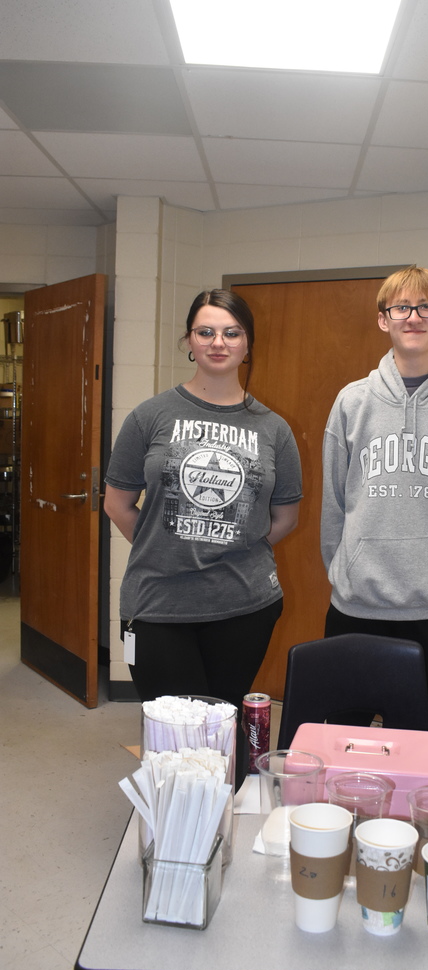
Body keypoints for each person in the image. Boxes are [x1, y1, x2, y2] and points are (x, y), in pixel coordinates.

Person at [320, 265, 428, 752]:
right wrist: (344, 567)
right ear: (383, 320)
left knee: (426, 742)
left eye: (426, 307)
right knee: (345, 744)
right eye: (401, 307)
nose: (413, 316)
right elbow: (334, 500)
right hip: (356, 606)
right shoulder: (352, 401)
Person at [104, 289, 302, 711]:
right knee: (175, 733)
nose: (219, 342)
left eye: (232, 333)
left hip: (245, 605)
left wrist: (234, 544)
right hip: (158, 605)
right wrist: (165, 545)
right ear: (190, 342)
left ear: (247, 343)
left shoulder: (274, 429)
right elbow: (116, 504)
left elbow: (285, 516)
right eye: (206, 332)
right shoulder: (149, 416)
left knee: (223, 723)